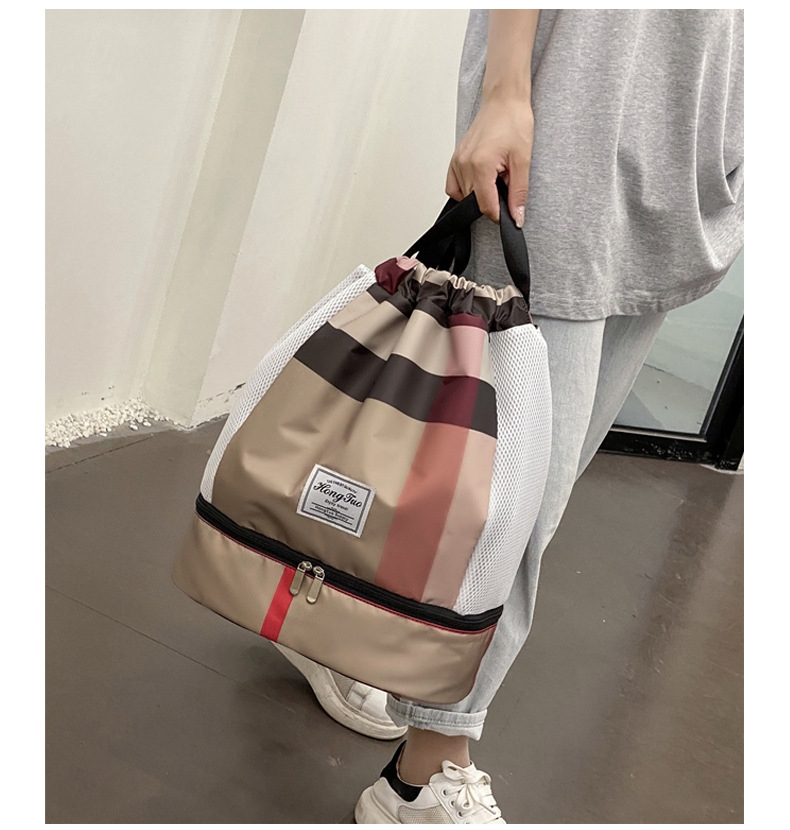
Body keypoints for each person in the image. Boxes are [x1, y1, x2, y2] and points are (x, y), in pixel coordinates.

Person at [274, 8, 744, 824]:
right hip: (576, 118)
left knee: (528, 491)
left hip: (683, 154)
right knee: (510, 505)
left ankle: (340, 620)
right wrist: (504, 92)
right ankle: (424, 773)